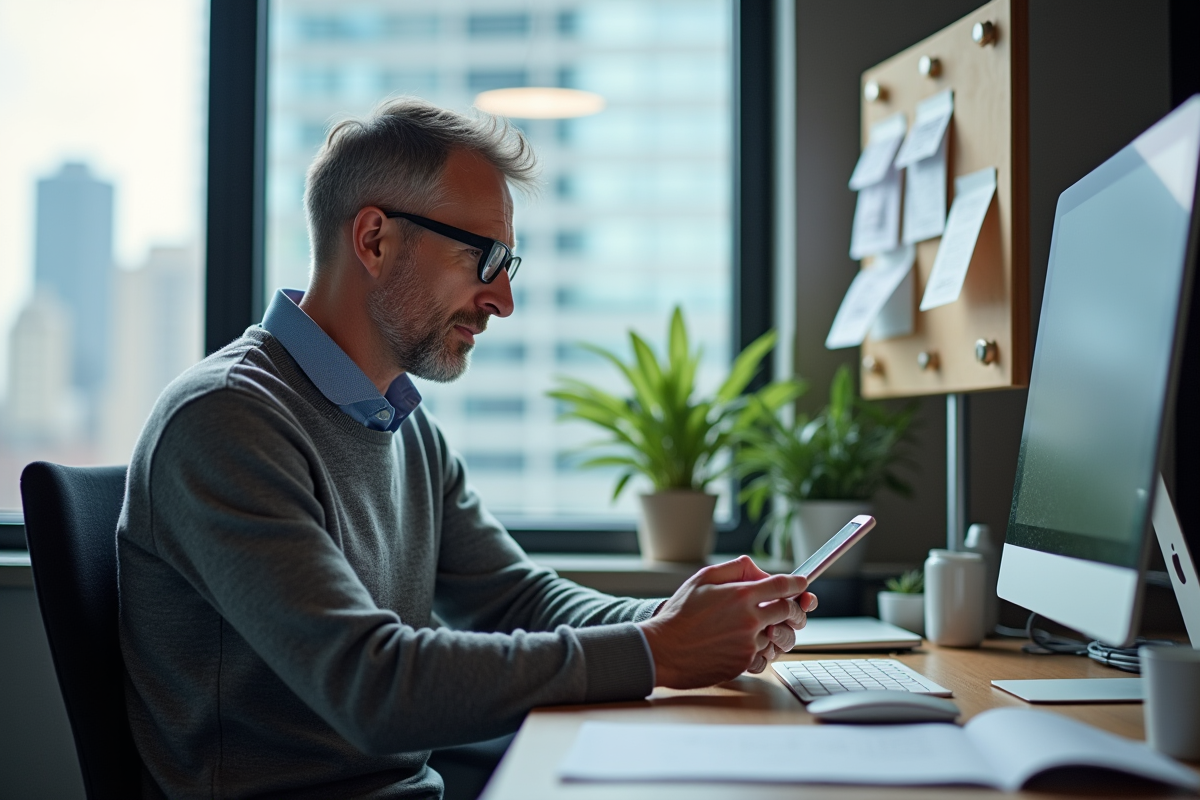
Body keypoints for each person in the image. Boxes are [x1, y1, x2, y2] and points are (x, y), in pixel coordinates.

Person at [117, 97, 816, 799]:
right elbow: (370, 685)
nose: (503, 299)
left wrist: (678, 621)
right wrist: (658, 650)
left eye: (508, 263)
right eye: (484, 257)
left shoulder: (402, 426)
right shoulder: (227, 420)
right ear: (374, 240)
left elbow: (515, 600)